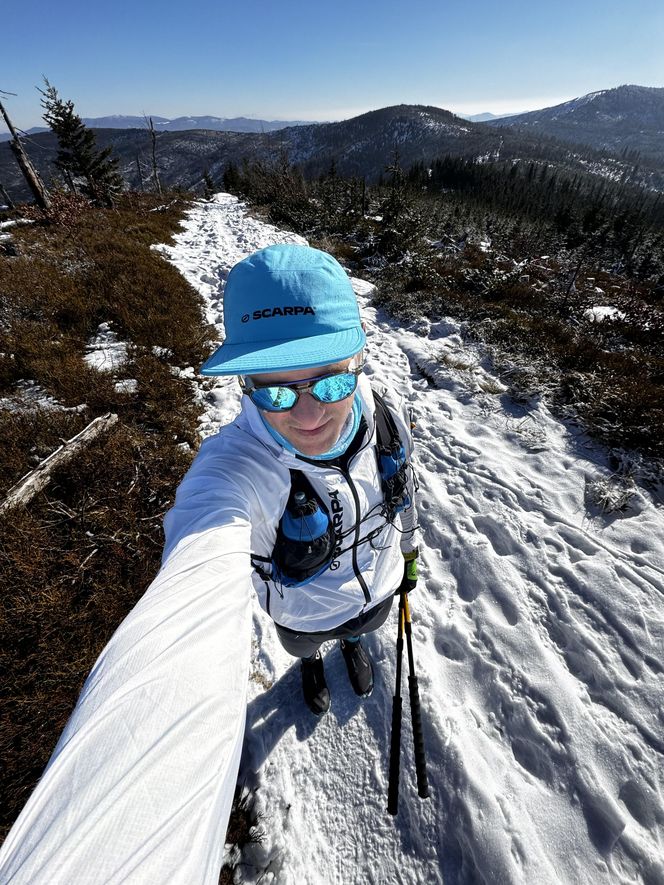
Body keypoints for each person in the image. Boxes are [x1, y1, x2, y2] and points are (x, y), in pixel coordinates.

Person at [0, 244, 418, 884]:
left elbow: (404, 497)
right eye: (274, 389)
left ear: (359, 359)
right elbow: (191, 590)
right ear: (246, 385)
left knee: (361, 629)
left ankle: (350, 649)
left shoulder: (389, 418)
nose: (307, 415)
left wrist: (408, 555)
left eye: (329, 379)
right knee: (305, 643)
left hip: (378, 590)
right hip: (302, 611)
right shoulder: (233, 471)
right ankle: (309, 665)